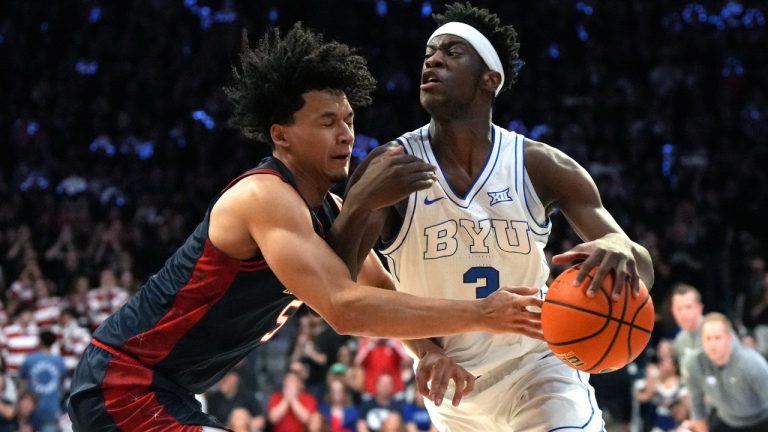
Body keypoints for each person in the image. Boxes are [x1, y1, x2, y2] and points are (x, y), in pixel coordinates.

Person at [67, 23, 549, 431]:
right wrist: (483, 314)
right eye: (326, 122)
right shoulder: (265, 197)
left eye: (349, 119)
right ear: (281, 135)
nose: (345, 134)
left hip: (169, 389)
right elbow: (344, 307)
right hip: (123, 382)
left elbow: (379, 287)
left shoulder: (328, 209)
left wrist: (425, 352)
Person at [341, 3, 654, 430]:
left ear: (490, 79)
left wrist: (620, 246)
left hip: (539, 367)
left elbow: (641, 268)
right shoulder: (392, 166)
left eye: (452, 52)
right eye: (430, 52)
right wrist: (425, 349)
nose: (432, 59)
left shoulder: (540, 165)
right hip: (455, 390)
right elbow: (341, 291)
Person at [681, 313, 768, 432]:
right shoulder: (694, 364)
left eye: (717, 338)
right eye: (708, 338)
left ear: (729, 339)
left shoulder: (751, 363)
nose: (712, 344)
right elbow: (697, 406)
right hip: (727, 420)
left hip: (761, 419)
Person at [670, 283, 705, 375]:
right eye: (679, 308)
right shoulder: (679, 341)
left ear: (699, 308)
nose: (683, 313)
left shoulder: (716, 331)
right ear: (673, 311)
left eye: (688, 307)